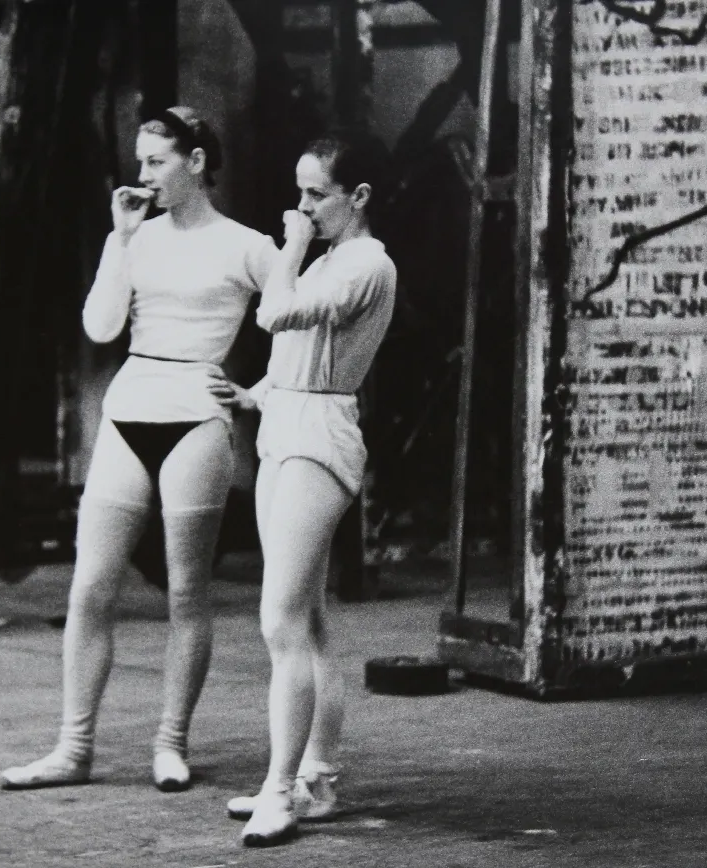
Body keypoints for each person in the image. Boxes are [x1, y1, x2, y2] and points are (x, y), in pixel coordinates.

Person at [1, 106, 277, 793]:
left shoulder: (246, 245)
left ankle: (170, 743)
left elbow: (301, 321)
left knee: (186, 591)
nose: (143, 175)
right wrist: (121, 239)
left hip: (197, 420)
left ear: (196, 162)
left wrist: (255, 392)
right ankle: (72, 749)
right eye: (140, 161)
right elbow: (100, 328)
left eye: (157, 161)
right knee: (90, 587)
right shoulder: (133, 236)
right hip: (129, 412)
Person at [210, 131, 396, 846]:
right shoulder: (330, 261)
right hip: (286, 424)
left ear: (359, 197)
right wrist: (254, 394)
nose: (304, 206)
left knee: (280, 620)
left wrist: (287, 247)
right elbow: (297, 353)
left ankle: (279, 790)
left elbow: (274, 314)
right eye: (300, 191)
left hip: (318, 437)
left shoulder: (367, 264)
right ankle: (317, 779)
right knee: (308, 623)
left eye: (317, 193)